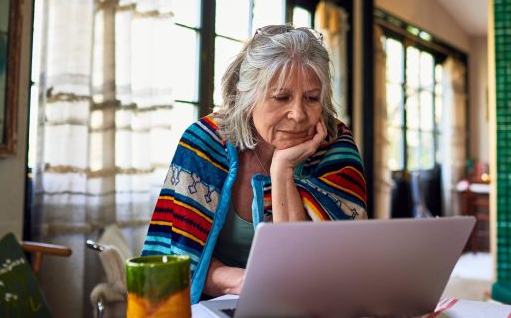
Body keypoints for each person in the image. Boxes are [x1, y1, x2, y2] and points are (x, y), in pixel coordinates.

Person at [141, 24, 367, 304]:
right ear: (246, 96)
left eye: (311, 98)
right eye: (281, 97)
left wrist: (282, 170)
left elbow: (314, 272)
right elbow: (176, 260)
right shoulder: (202, 143)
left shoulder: (336, 147)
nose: (298, 114)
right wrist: (240, 280)